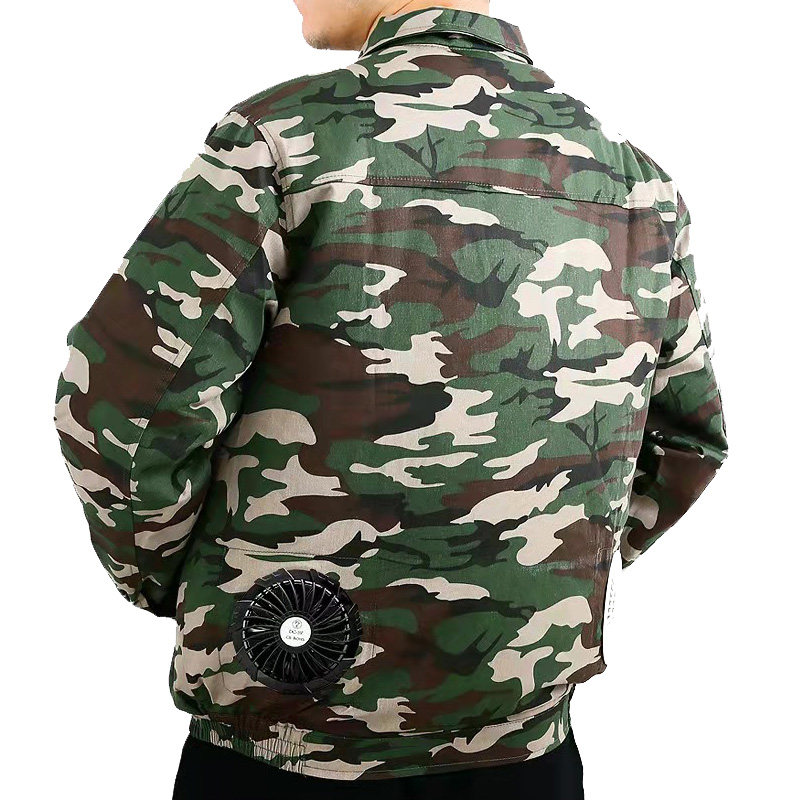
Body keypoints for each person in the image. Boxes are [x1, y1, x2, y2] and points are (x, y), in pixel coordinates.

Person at [53, 1, 728, 797]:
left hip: (287, 745)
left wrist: (197, 589)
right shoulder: (638, 185)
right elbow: (686, 439)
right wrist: (538, 575)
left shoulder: (281, 142)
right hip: (527, 754)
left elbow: (123, 411)